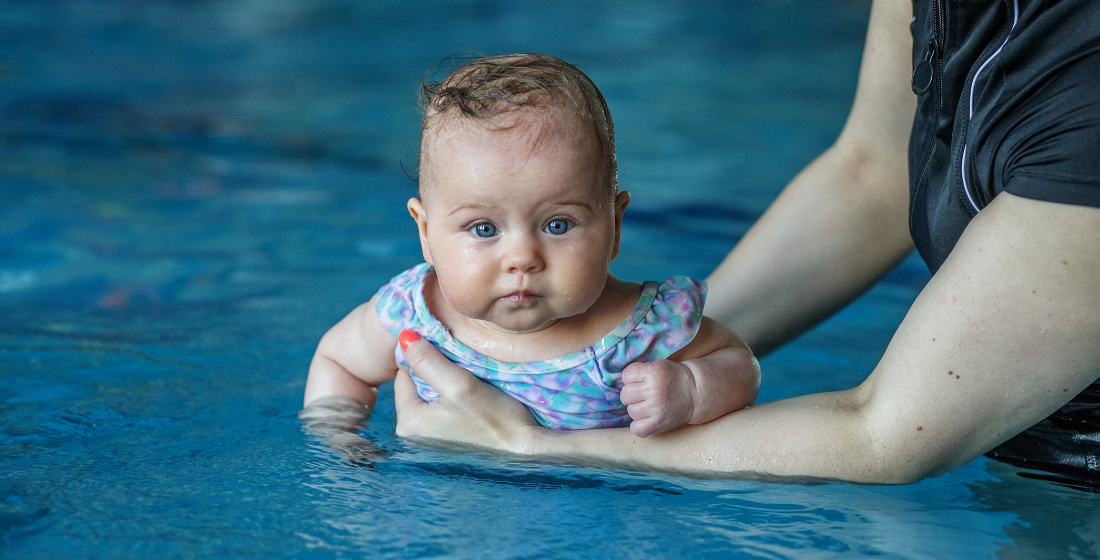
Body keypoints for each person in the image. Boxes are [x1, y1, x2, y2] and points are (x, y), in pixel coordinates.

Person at [388, 0, 1100, 485]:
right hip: (1008, 458)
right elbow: (877, 173)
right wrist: (667, 349)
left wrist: (533, 446)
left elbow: (883, 437)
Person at [302, 53, 760, 440]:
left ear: (615, 227)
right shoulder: (412, 315)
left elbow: (739, 363)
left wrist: (691, 388)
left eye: (558, 225)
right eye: (484, 229)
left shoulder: (644, 331)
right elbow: (339, 361)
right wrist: (341, 442)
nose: (522, 258)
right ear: (425, 234)